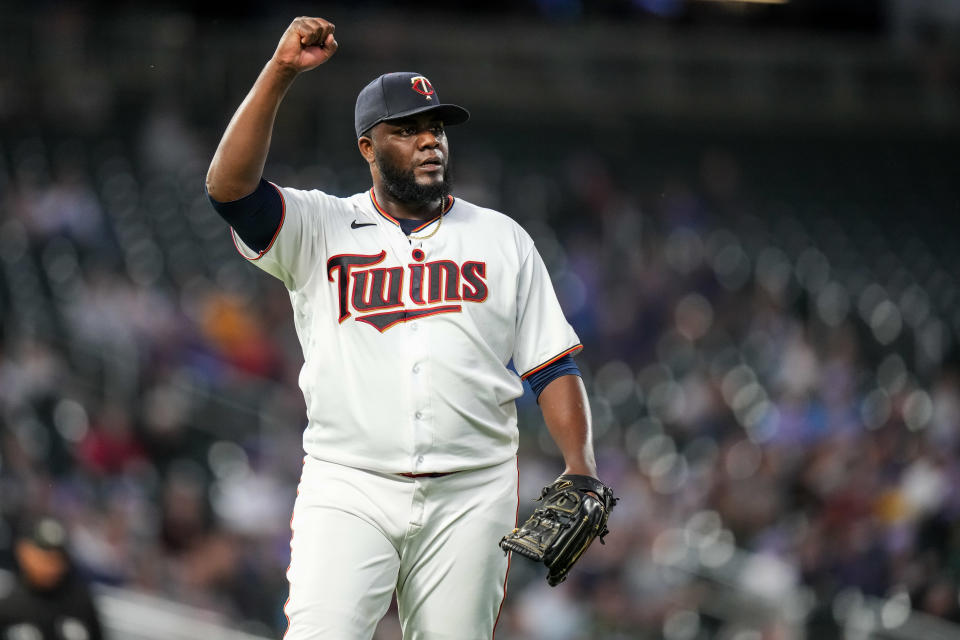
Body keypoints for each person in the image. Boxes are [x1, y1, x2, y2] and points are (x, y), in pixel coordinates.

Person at [206, 16, 602, 639]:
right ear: (367, 147)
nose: (429, 141)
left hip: (472, 493)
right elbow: (229, 190)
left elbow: (553, 365)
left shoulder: (502, 238)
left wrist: (580, 463)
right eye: (407, 129)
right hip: (349, 483)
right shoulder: (320, 225)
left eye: (436, 127)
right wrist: (280, 73)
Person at [0, 517, 104, 640]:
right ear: (24, 551)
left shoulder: (81, 603)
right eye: (44, 556)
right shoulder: (8, 607)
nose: (51, 564)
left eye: (57, 556)